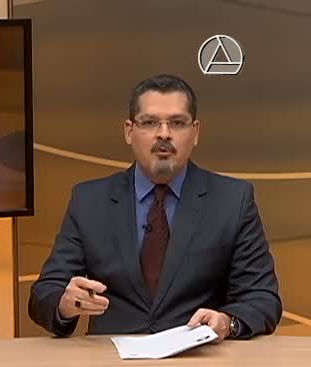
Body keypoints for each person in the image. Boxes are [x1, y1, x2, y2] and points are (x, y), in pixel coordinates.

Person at [28, 74, 282, 341]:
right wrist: (66, 304)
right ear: (129, 131)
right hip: (110, 360)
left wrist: (227, 323)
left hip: (200, 358)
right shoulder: (90, 201)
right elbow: (45, 293)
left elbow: (262, 298)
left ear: (195, 132)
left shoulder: (232, 200)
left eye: (177, 123)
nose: (164, 133)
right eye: (149, 122)